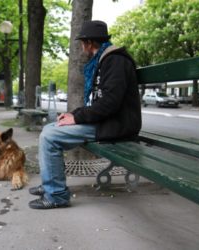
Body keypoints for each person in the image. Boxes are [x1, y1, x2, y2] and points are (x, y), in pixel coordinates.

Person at [28, 20, 142, 209]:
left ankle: (56, 195)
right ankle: (51, 183)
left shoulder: (115, 61)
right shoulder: (104, 60)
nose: (81, 46)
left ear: (88, 43)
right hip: (108, 121)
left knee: (49, 136)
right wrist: (73, 114)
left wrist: (77, 118)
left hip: (118, 125)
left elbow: (110, 103)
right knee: (50, 128)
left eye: (82, 42)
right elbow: (100, 102)